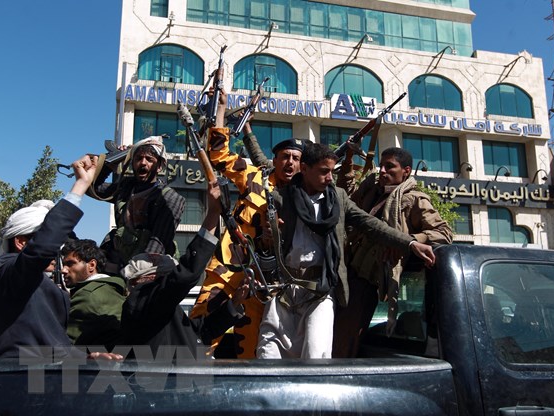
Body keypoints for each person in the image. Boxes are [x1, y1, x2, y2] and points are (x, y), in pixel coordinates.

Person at [256, 143, 436, 359]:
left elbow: (371, 224)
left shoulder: (338, 198)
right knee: (269, 356)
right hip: (283, 289)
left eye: (332, 171)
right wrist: (268, 237)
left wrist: (410, 243)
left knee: (316, 356)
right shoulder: (279, 199)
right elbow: (263, 248)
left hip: (321, 290)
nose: (330, 178)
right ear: (304, 169)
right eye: (324, 171)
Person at [190, 99, 305, 358]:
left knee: (252, 347)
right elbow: (219, 155)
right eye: (285, 157)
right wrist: (221, 110)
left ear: (302, 165)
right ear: (274, 160)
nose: (290, 162)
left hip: (263, 282)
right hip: (228, 270)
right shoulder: (254, 177)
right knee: (200, 330)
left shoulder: (302, 200)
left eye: (296, 158)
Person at [0, 155, 120, 360]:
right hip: (15, 377)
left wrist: (85, 359)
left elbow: (50, 342)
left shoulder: (39, 284)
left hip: (47, 376)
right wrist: (80, 186)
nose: (55, 252)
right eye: (51, 245)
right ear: (21, 242)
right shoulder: (5, 271)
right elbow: (40, 251)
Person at [333, 146, 453, 358]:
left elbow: (444, 232)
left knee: (343, 341)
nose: (382, 171)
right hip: (345, 269)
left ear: (406, 171)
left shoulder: (414, 199)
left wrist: (407, 242)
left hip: (368, 278)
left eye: (390, 167)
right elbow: (346, 196)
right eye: (381, 166)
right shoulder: (373, 191)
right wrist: (349, 158)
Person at [119, 179, 250, 357]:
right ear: (145, 279)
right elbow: (185, 276)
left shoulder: (162, 309)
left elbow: (199, 332)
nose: (167, 280)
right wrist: (212, 214)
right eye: (163, 276)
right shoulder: (141, 301)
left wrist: (234, 303)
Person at [89, 136, 185, 273]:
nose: (143, 163)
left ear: (159, 166)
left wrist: (134, 274)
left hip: (148, 270)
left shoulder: (169, 198)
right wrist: (111, 162)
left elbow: (158, 244)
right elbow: (93, 188)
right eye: (138, 158)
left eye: (149, 159)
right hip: (118, 263)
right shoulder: (125, 189)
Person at [61, 239, 126, 351]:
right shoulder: (110, 288)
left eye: (70, 264)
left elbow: (67, 345)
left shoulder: (87, 295)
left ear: (91, 265)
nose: (63, 270)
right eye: (63, 265)